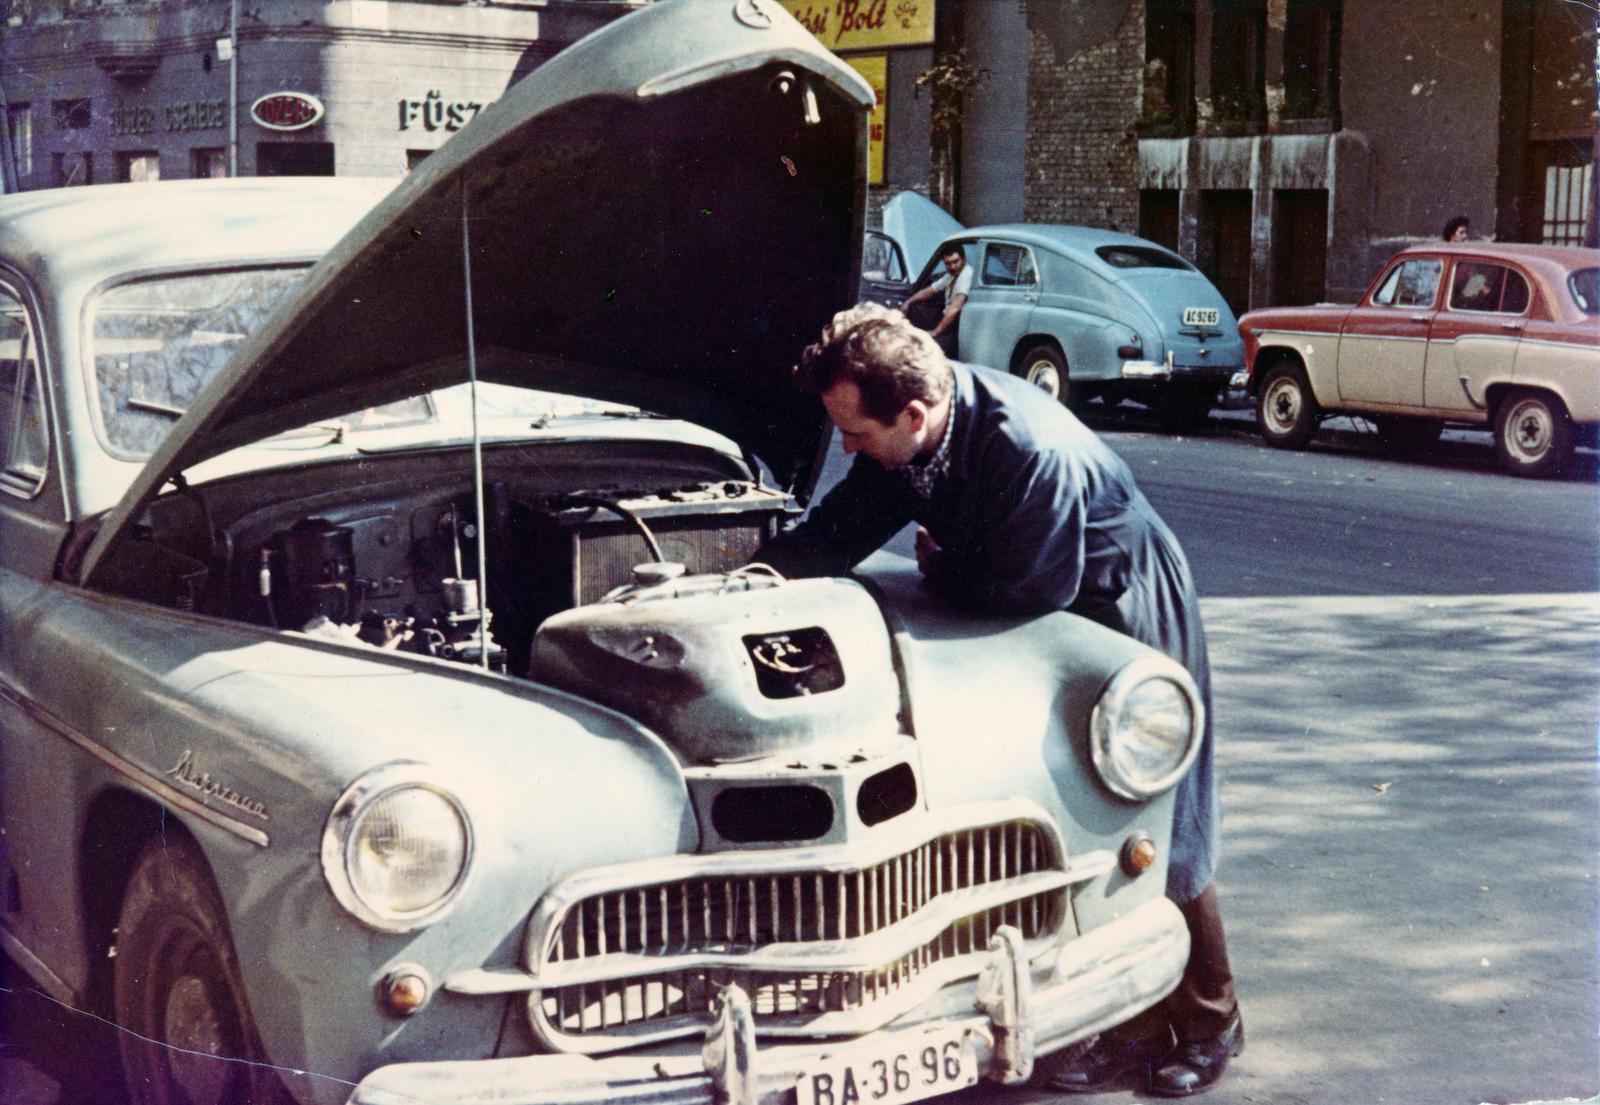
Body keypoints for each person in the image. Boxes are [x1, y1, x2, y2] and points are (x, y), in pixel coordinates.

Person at [758, 304, 1242, 1098]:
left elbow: (1030, 587)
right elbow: (846, 522)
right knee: (1056, 809)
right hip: (1045, 598)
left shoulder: (1025, 446)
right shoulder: (907, 435)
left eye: (855, 433)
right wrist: (765, 574)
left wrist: (943, 568)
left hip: (1122, 604)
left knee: (1155, 813)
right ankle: (1125, 1019)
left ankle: (1212, 1016)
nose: (846, 446)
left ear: (914, 415)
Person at [901, 245, 972, 358]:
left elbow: (955, 308)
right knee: (915, 308)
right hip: (945, 317)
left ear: (964, 259)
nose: (952, 266)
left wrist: (935, 332)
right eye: (947, 263)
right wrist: (908, 302)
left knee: (929, 349)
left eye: (955, 261)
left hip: (957, 326)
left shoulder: (967, 275)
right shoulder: (951, 275)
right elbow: (930, 290)